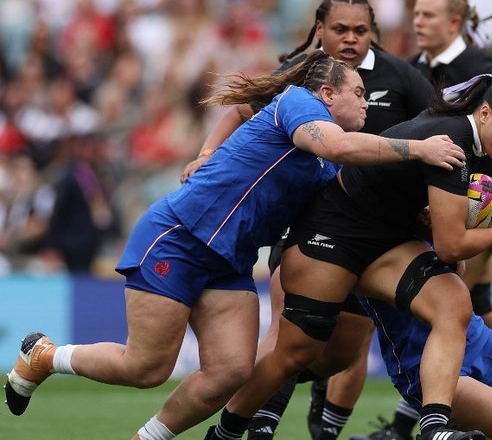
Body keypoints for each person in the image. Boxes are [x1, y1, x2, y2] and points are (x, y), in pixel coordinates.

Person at [4, 51, 466, 439]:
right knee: (146, 368)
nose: (367, 103)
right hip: (180, 238)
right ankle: (44, 355)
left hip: (230, 262)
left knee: (230, 372)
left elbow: (356, 194)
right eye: (359, 94)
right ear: (327, 94)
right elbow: (337, 147)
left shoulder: (328, 163)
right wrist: (418, 149)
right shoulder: (299, 104)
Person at [206, 74, 492, 440]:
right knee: (294, 353)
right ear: (486, 113)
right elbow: (450, 247)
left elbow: (437, 232)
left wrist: (430, 227)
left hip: (384, 241)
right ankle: (226, 432)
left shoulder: (470, 144)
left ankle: (434, 427)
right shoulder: (453, 137)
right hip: (331, 235)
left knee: (452, 303)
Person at [179, 0, 442, 440]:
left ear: (373, 33)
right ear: (319, 30)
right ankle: (253, 426)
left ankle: (320, 426)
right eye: (340, 29)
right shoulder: (302, 76)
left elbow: (442, 128)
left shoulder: (403, 77)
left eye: (361, 30)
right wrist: (207, 152)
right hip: (308, 228)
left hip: (380, 237)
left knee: (341, 354)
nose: (351, 39)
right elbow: (242, 109)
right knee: (289, 341)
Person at [346, 0, 492, 440]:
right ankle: (436, 419)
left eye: (429, 14)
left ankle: (432, 420)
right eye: (415, 12)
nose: (418, 21)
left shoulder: (484, 73)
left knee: (461, 306)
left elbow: (478, 163)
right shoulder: (416, 71)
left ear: (456, 23)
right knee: (462, 310)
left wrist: (490, 203)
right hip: (410, 216)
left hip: (456, 207)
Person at [354, 242, 492, 440]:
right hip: (422, 357)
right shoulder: (356, 242)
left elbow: (455, 254)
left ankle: (405, 427)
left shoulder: (413, 207)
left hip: (472, 334)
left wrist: (483, 211)